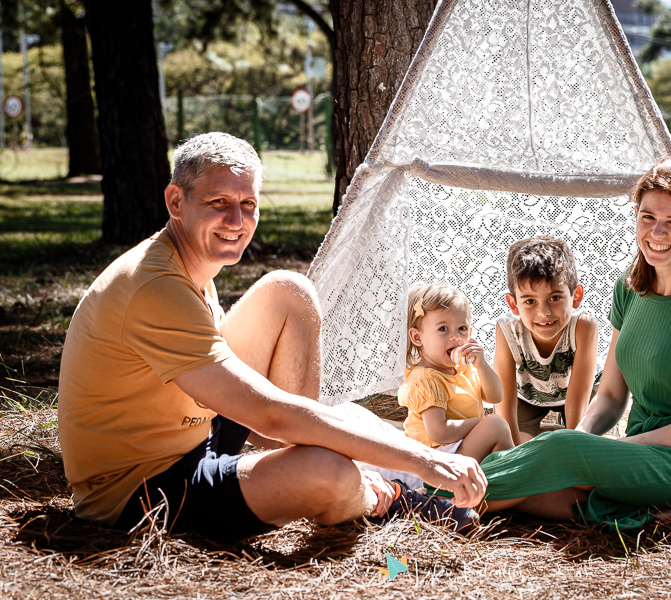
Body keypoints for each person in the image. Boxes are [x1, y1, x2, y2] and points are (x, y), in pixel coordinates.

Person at [57, 132, 486, 542]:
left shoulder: (188, 266)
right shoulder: (156, 287)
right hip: (143, 492)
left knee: (288, 291)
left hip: (193, 438)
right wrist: (424, 459)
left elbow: (261, 409)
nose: (236, 221)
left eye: (248, 203)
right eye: (217, 202)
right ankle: (378, 499)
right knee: (328, 472)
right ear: (175, 201)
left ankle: (342, 466)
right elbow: (269, 415)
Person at [434, 156, 671, 533]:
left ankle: (427, 497)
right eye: (647, 217)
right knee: (539, 492)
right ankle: (659, 521)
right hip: (637, 456)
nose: (656, 232)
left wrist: (593, 453)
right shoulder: (629, 289)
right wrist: (584, 445)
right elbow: (612, 396)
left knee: (561, 453)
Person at [494, 237, 601, 444]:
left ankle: (558, 432)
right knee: (521, 443)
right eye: (530, 301)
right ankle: (546, 430)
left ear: (576, 296)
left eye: (554, 298)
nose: (543, 312)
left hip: (575, 393)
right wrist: (513, 455)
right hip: (528, 395)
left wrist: (574, 446)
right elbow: (504, 402)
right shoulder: (508, 328)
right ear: (514, 304)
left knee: (585, 438)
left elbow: (577, 403)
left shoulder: (585, 326)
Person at [399, 285, 514, 461]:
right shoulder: (426, 379)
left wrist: (482, 365)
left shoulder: (464, 369)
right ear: (417, 337)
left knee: (496, 428)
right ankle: (515, 476)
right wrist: (479, 424)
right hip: (436, 458)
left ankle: (504, 474)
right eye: (443, 329)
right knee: (496, 425)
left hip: (459, 448)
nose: (455, 337)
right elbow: (439, 432)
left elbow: (495, 397)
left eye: (462, 328)